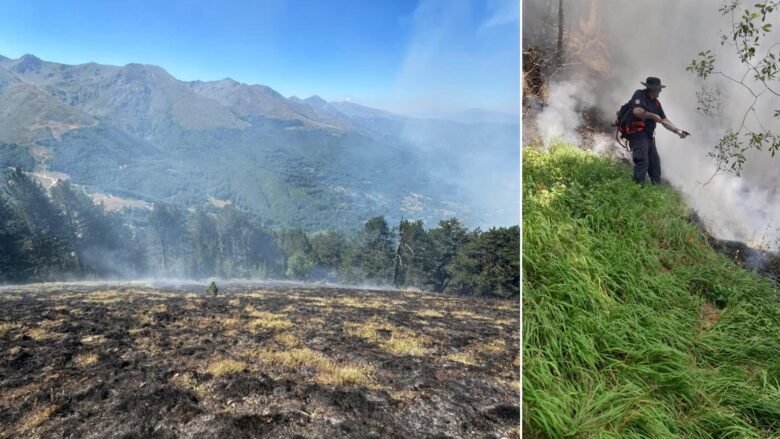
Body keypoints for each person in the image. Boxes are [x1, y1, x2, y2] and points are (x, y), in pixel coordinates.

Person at [625, 77, 688, 184]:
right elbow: (637, 111)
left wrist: (677, 131)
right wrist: (652, 116)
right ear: (652, 89)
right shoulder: (639, 95)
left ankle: (655, 192)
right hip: (638, 134)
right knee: (642, 161)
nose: (660, 91)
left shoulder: (656, 103)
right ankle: (636, 190)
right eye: (659, 89)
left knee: (655, 166)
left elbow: (664, 120)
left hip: (649, 137)